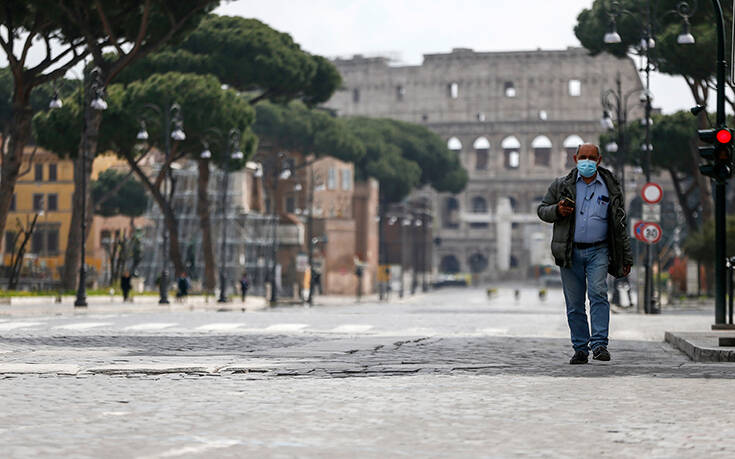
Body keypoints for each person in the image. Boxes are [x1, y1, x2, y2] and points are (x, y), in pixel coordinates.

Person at [537, 143, 632, 365]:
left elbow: (620, 225)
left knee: (599, 292)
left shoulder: (611, 187)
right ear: (575, 158)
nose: (587, 161)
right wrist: (557, 210)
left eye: (591, 157)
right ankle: (580, 348)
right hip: (570, 250)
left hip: (599, 249)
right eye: (583, 157)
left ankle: (599, 344)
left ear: (598, 160)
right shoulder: (561, 185)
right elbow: (542, 210)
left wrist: (625, 257)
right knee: (574, 303)